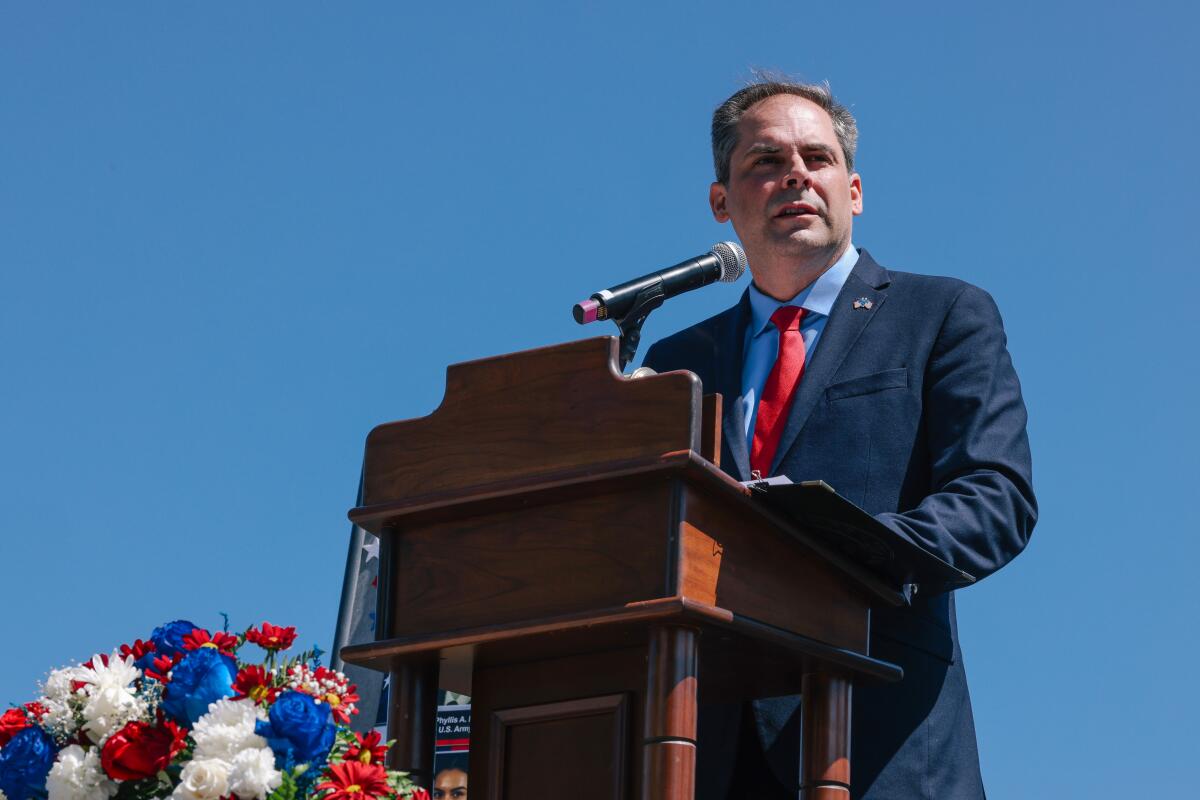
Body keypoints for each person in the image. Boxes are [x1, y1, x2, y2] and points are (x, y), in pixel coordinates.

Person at [642, 78, 1037, 799]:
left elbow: (994, 498)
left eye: (816, 158)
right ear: (721, 203)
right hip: (708, 751)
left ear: (852, 190)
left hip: (879, 738)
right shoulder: (674, 363)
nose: (795, 173)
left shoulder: (942, 314)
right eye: (765, 160)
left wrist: (848, 553)